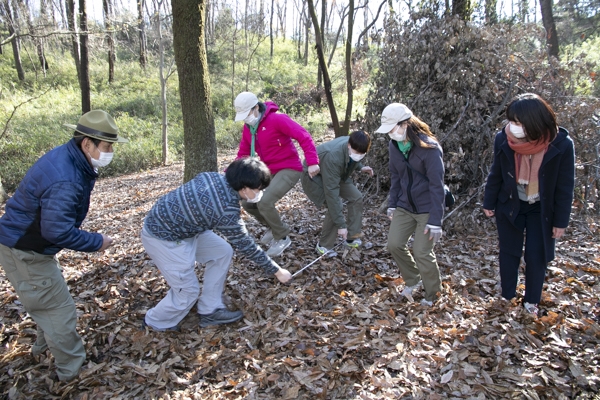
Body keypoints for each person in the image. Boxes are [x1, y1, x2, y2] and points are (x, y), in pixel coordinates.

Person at [0, 110, 128, 381]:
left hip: (30, 246)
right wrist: (97, 242)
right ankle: (72, 371)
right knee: (59, 311)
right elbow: (56, 230)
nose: (110, 151)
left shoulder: (70, 159)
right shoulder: (66, 177)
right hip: (25, 250)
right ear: (87, 143)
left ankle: (43, 347)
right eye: (106, 146)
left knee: (47, 302)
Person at [141, 157, 292, 331]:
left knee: (222, 251)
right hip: (163, 237)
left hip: (185, 228)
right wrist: (277, 271)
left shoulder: (213, 177)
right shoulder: (225, 209)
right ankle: (155, 322)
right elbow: (246, 245)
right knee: (188, 292)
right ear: (244, 188)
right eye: (257, 189)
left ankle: (210, 308)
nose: (259, 193)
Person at [483, 93, 575, 316]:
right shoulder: (503, 139)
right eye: (511, 121)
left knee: (536, 254)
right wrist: (489, 200)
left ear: (534, 123)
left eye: (517, 122)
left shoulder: (561, 145)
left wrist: (561, 222)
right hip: (511, 204)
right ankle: (507, 295)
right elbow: (496, 172)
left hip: (541, 209)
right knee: (509, 252)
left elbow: (565, 187)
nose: (512, 127)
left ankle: (531, 301)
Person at [233, 92, 320, 257]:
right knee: (248, 202)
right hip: (268, 170)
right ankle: (275, 228)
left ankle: (282, 237)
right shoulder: (249, 128)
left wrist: (312, 161)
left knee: (264, 202)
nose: (246, 119)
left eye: (247, 114)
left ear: (256, 108)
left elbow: (303, 136)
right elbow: (244, 153)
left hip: (289, 168)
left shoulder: (277, 119)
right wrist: (230, 174)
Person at [375, 103, 445, 306]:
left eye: (392, 128)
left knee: (422, 252)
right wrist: (393, 204)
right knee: (394, 244)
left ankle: (433, 294)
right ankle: (414, 280)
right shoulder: (394, 145)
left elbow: (437, 186)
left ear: (405, 124)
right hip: (405, 206)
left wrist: (435, 220)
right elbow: (395, 177)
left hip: (426, 208)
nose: (390, 134)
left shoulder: (429, 148)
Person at [301, 130, 374, 257]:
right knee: (334, 205)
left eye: (362, 154)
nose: (359, 155)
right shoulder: (334, 156)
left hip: (334, 173)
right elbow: (332, 194)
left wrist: (360, 167)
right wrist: (341, 225)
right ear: (349, 145)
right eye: (357, 153)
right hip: (313, 175)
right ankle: (324, 246)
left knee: (356, 197)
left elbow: (352, 158)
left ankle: (352, 237)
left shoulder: (354, 143)